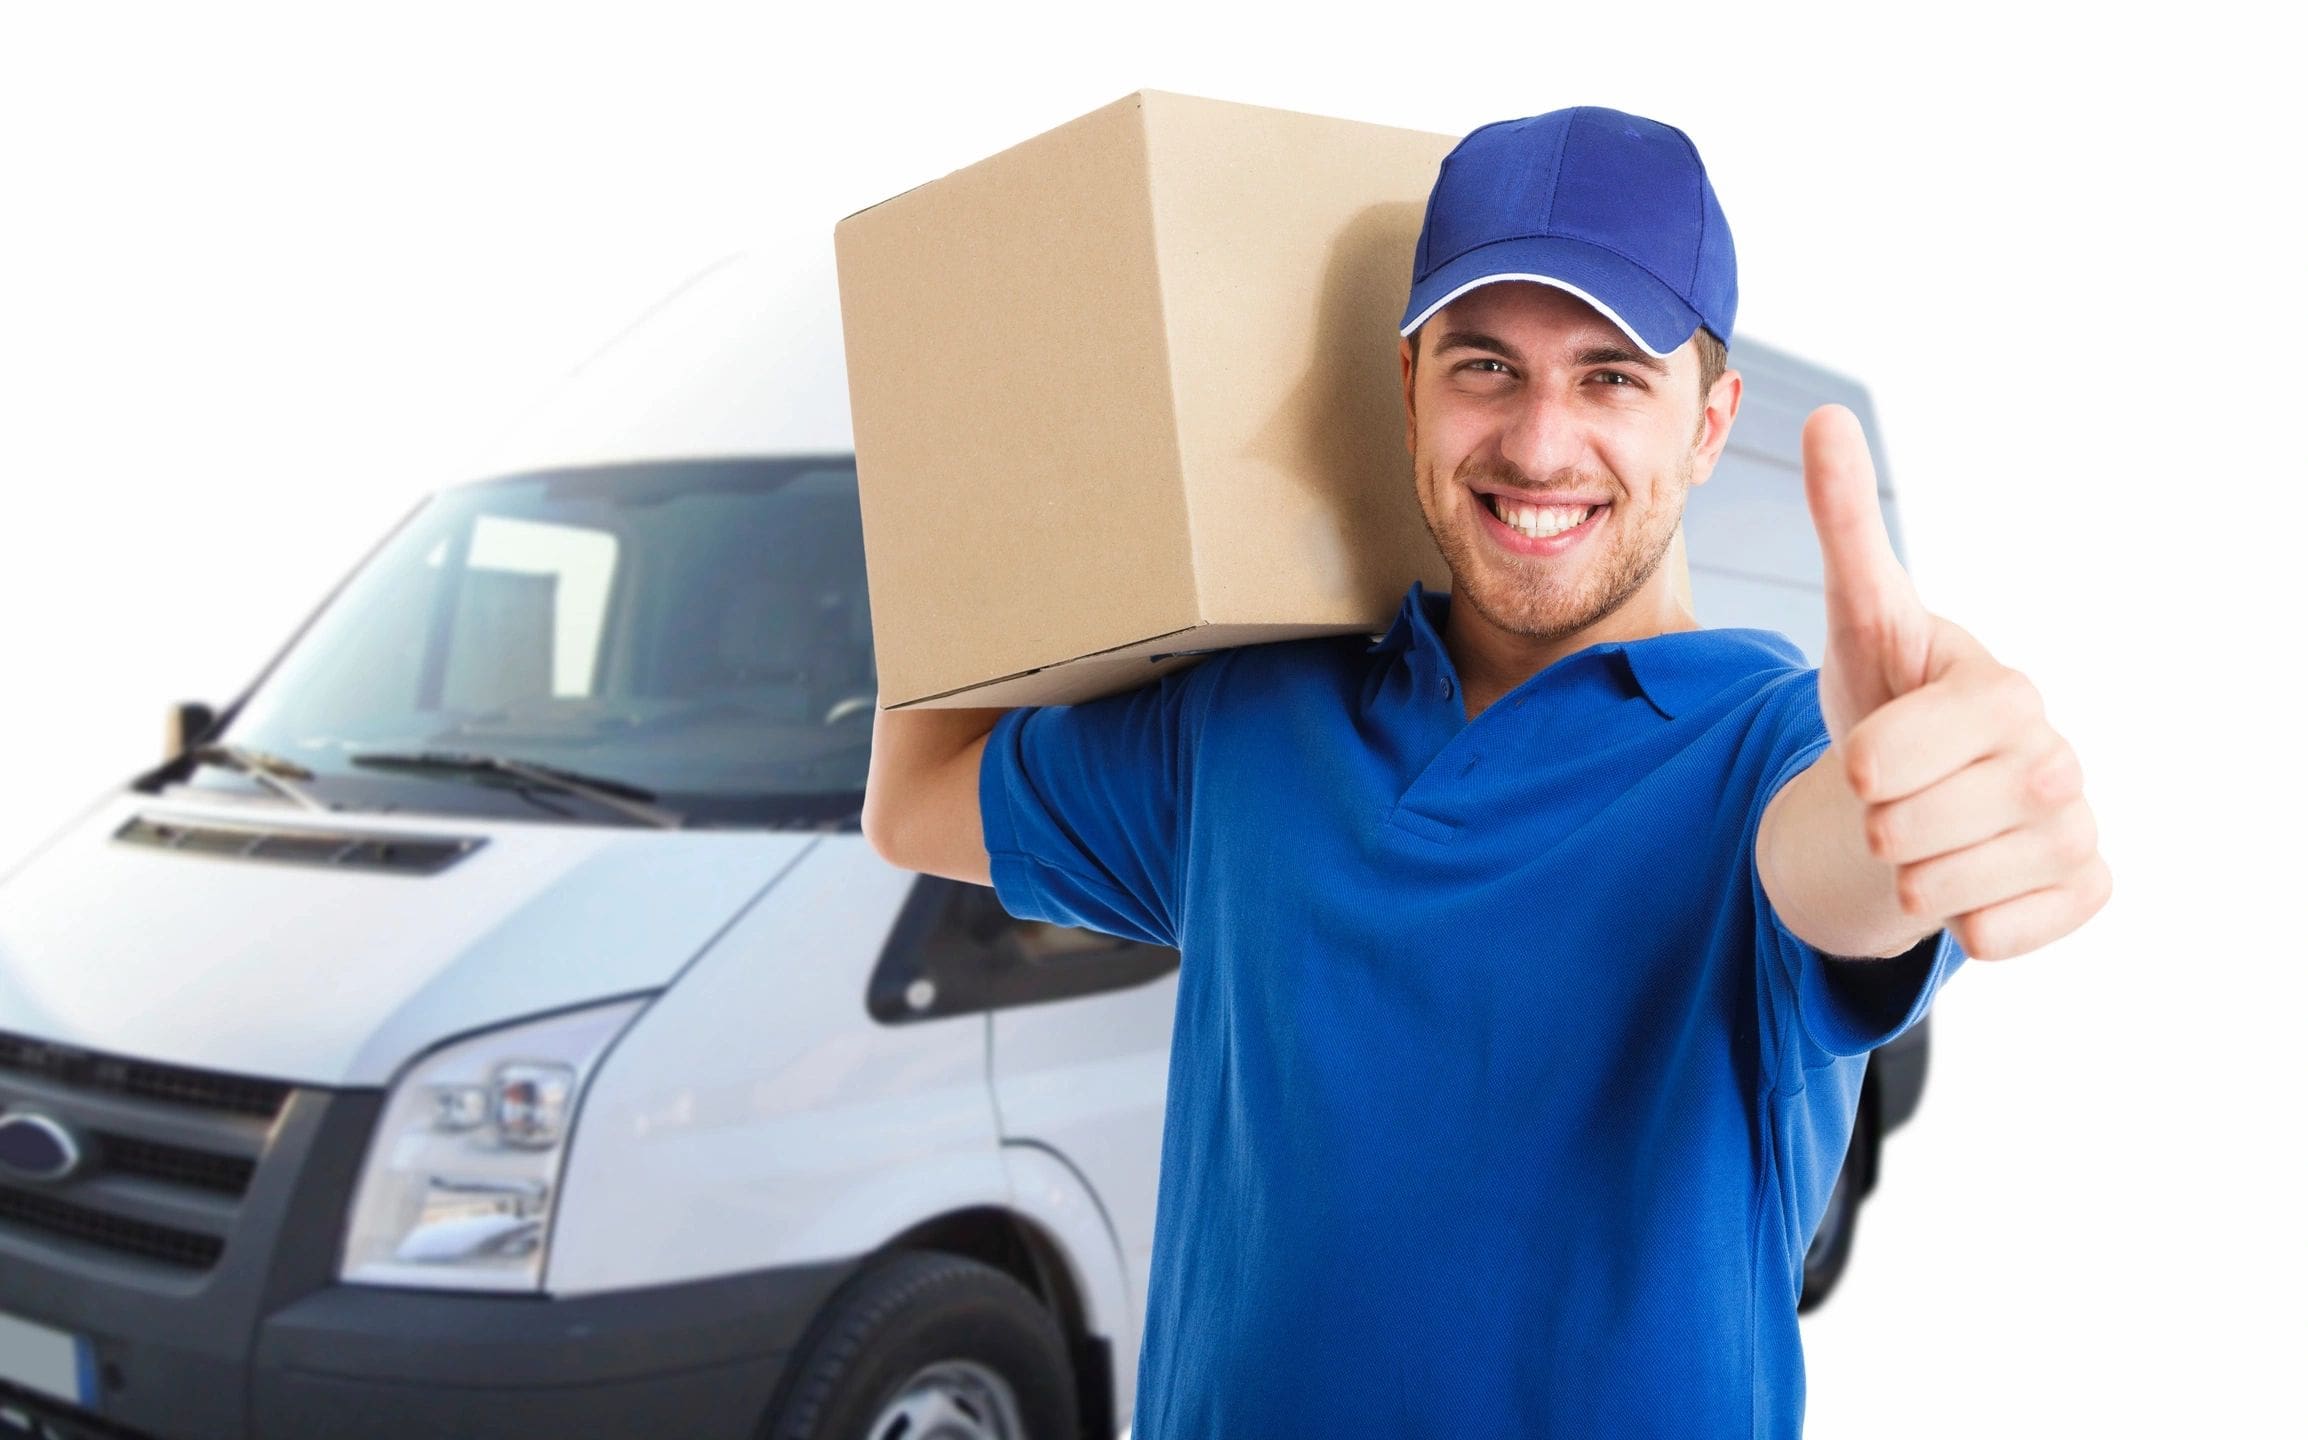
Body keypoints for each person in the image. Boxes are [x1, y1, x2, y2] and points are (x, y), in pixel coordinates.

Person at [863, 105, 2110, 1439]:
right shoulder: (1247, 726)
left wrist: (1909, 818)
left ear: (1710, 423)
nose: (1537, 444)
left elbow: (1837, 873)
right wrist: (999, 432)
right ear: (1408, 390)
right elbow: (917, 796)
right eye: (1485, 368)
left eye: (1612, 376)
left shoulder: (1768, 750)